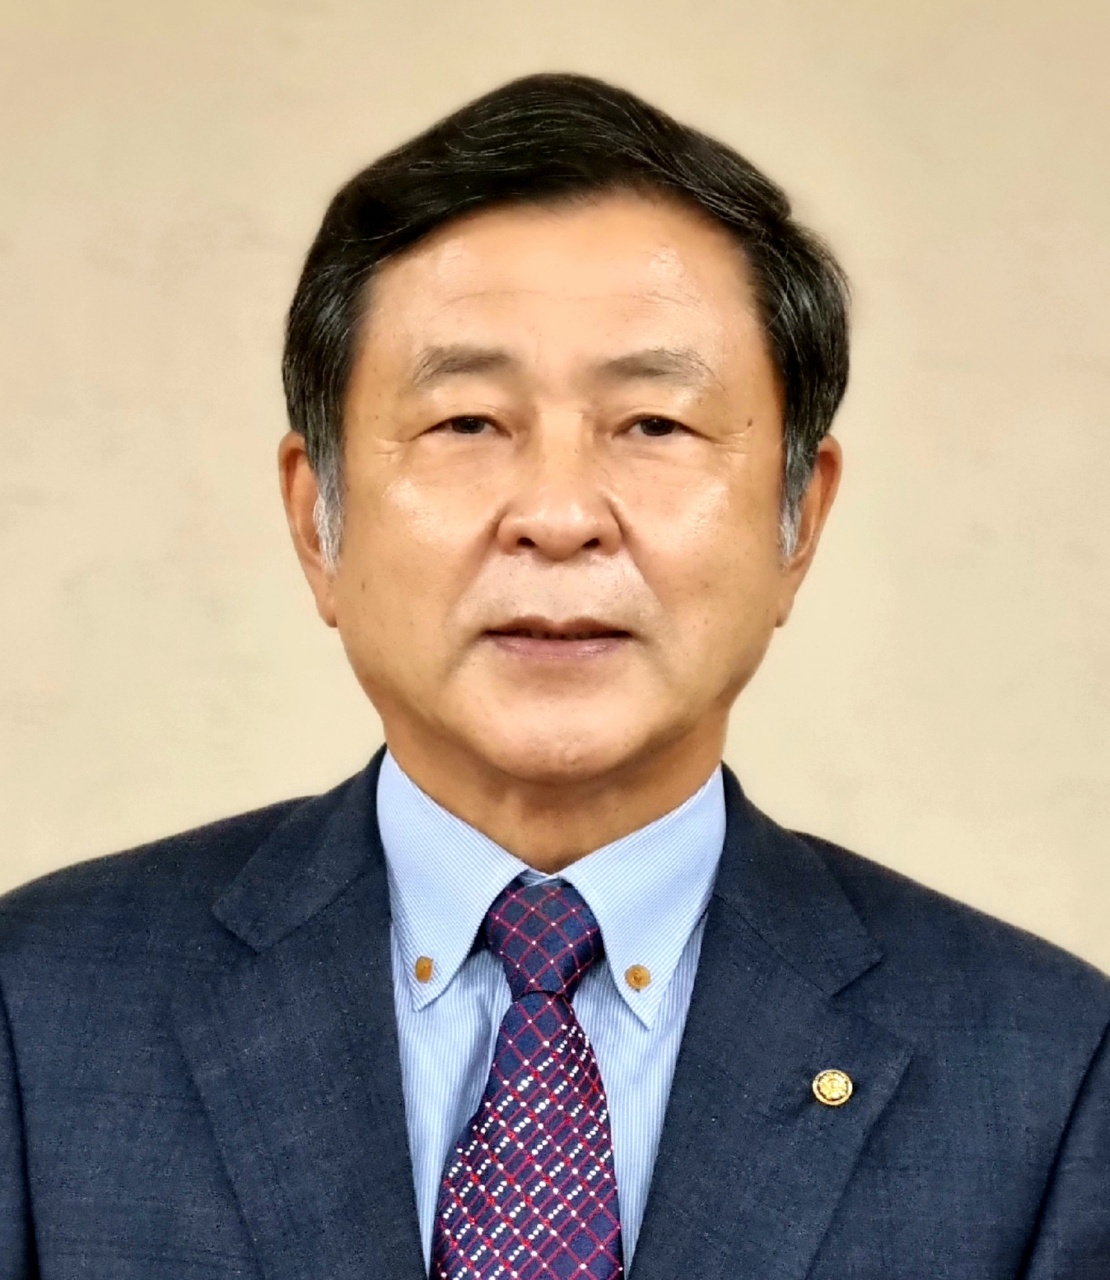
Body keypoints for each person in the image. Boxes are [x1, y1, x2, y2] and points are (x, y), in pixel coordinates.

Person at [1, 72, 1107, 1280]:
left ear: (800, 519)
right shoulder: (38, 1013)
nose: (561, 514)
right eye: (468, 422)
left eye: (655, 424)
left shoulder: (1047, 1074)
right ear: (318, 519)